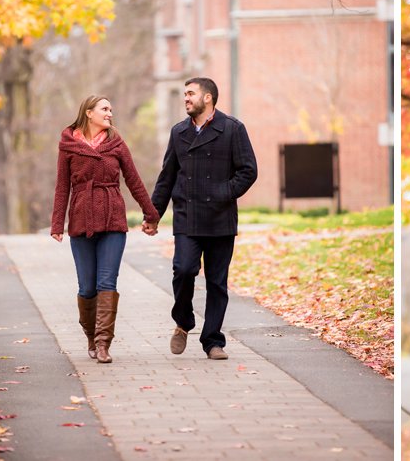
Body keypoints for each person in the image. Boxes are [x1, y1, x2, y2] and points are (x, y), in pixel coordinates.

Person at [145, 77, 257, 360]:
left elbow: (248, 170)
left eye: (191, 94)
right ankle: (183, 321)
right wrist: (154, 214)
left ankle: (213, 342)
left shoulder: (232, 129)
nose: (186, 98)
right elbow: (167, 176)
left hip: (220, 218)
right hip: (188, 216)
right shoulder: (178, 132)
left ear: (208, 98)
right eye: (185, 94)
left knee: (217, 283)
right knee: (183, 270)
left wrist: (223, 192)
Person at [50, 95, 160, 364]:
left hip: (112, 219)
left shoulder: (116, 143)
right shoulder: (68, 144)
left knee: (106, 283)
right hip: (81, 220)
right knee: (87, 287)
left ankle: (102, 344)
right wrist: (57, 223)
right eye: (105, 109)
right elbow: (62, 186)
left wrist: (151, 214)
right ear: (89, 113)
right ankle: (90, 335)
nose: (111, 113)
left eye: (111, 109)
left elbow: (133, 180)